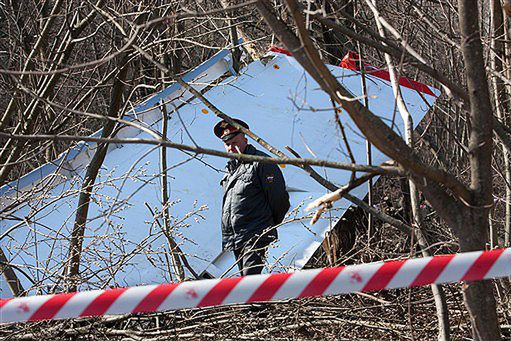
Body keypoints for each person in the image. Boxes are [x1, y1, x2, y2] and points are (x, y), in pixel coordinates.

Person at [214, 118, 290, 276]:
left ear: (245, 139)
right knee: (246, 282)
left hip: (255, 234)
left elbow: (279, 200)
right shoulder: (230, 170)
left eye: (235, 142)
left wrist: (266, 225)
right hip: (237, 237)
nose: (232, 148)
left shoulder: (262, 163)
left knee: (250, 281)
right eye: (228, 145)